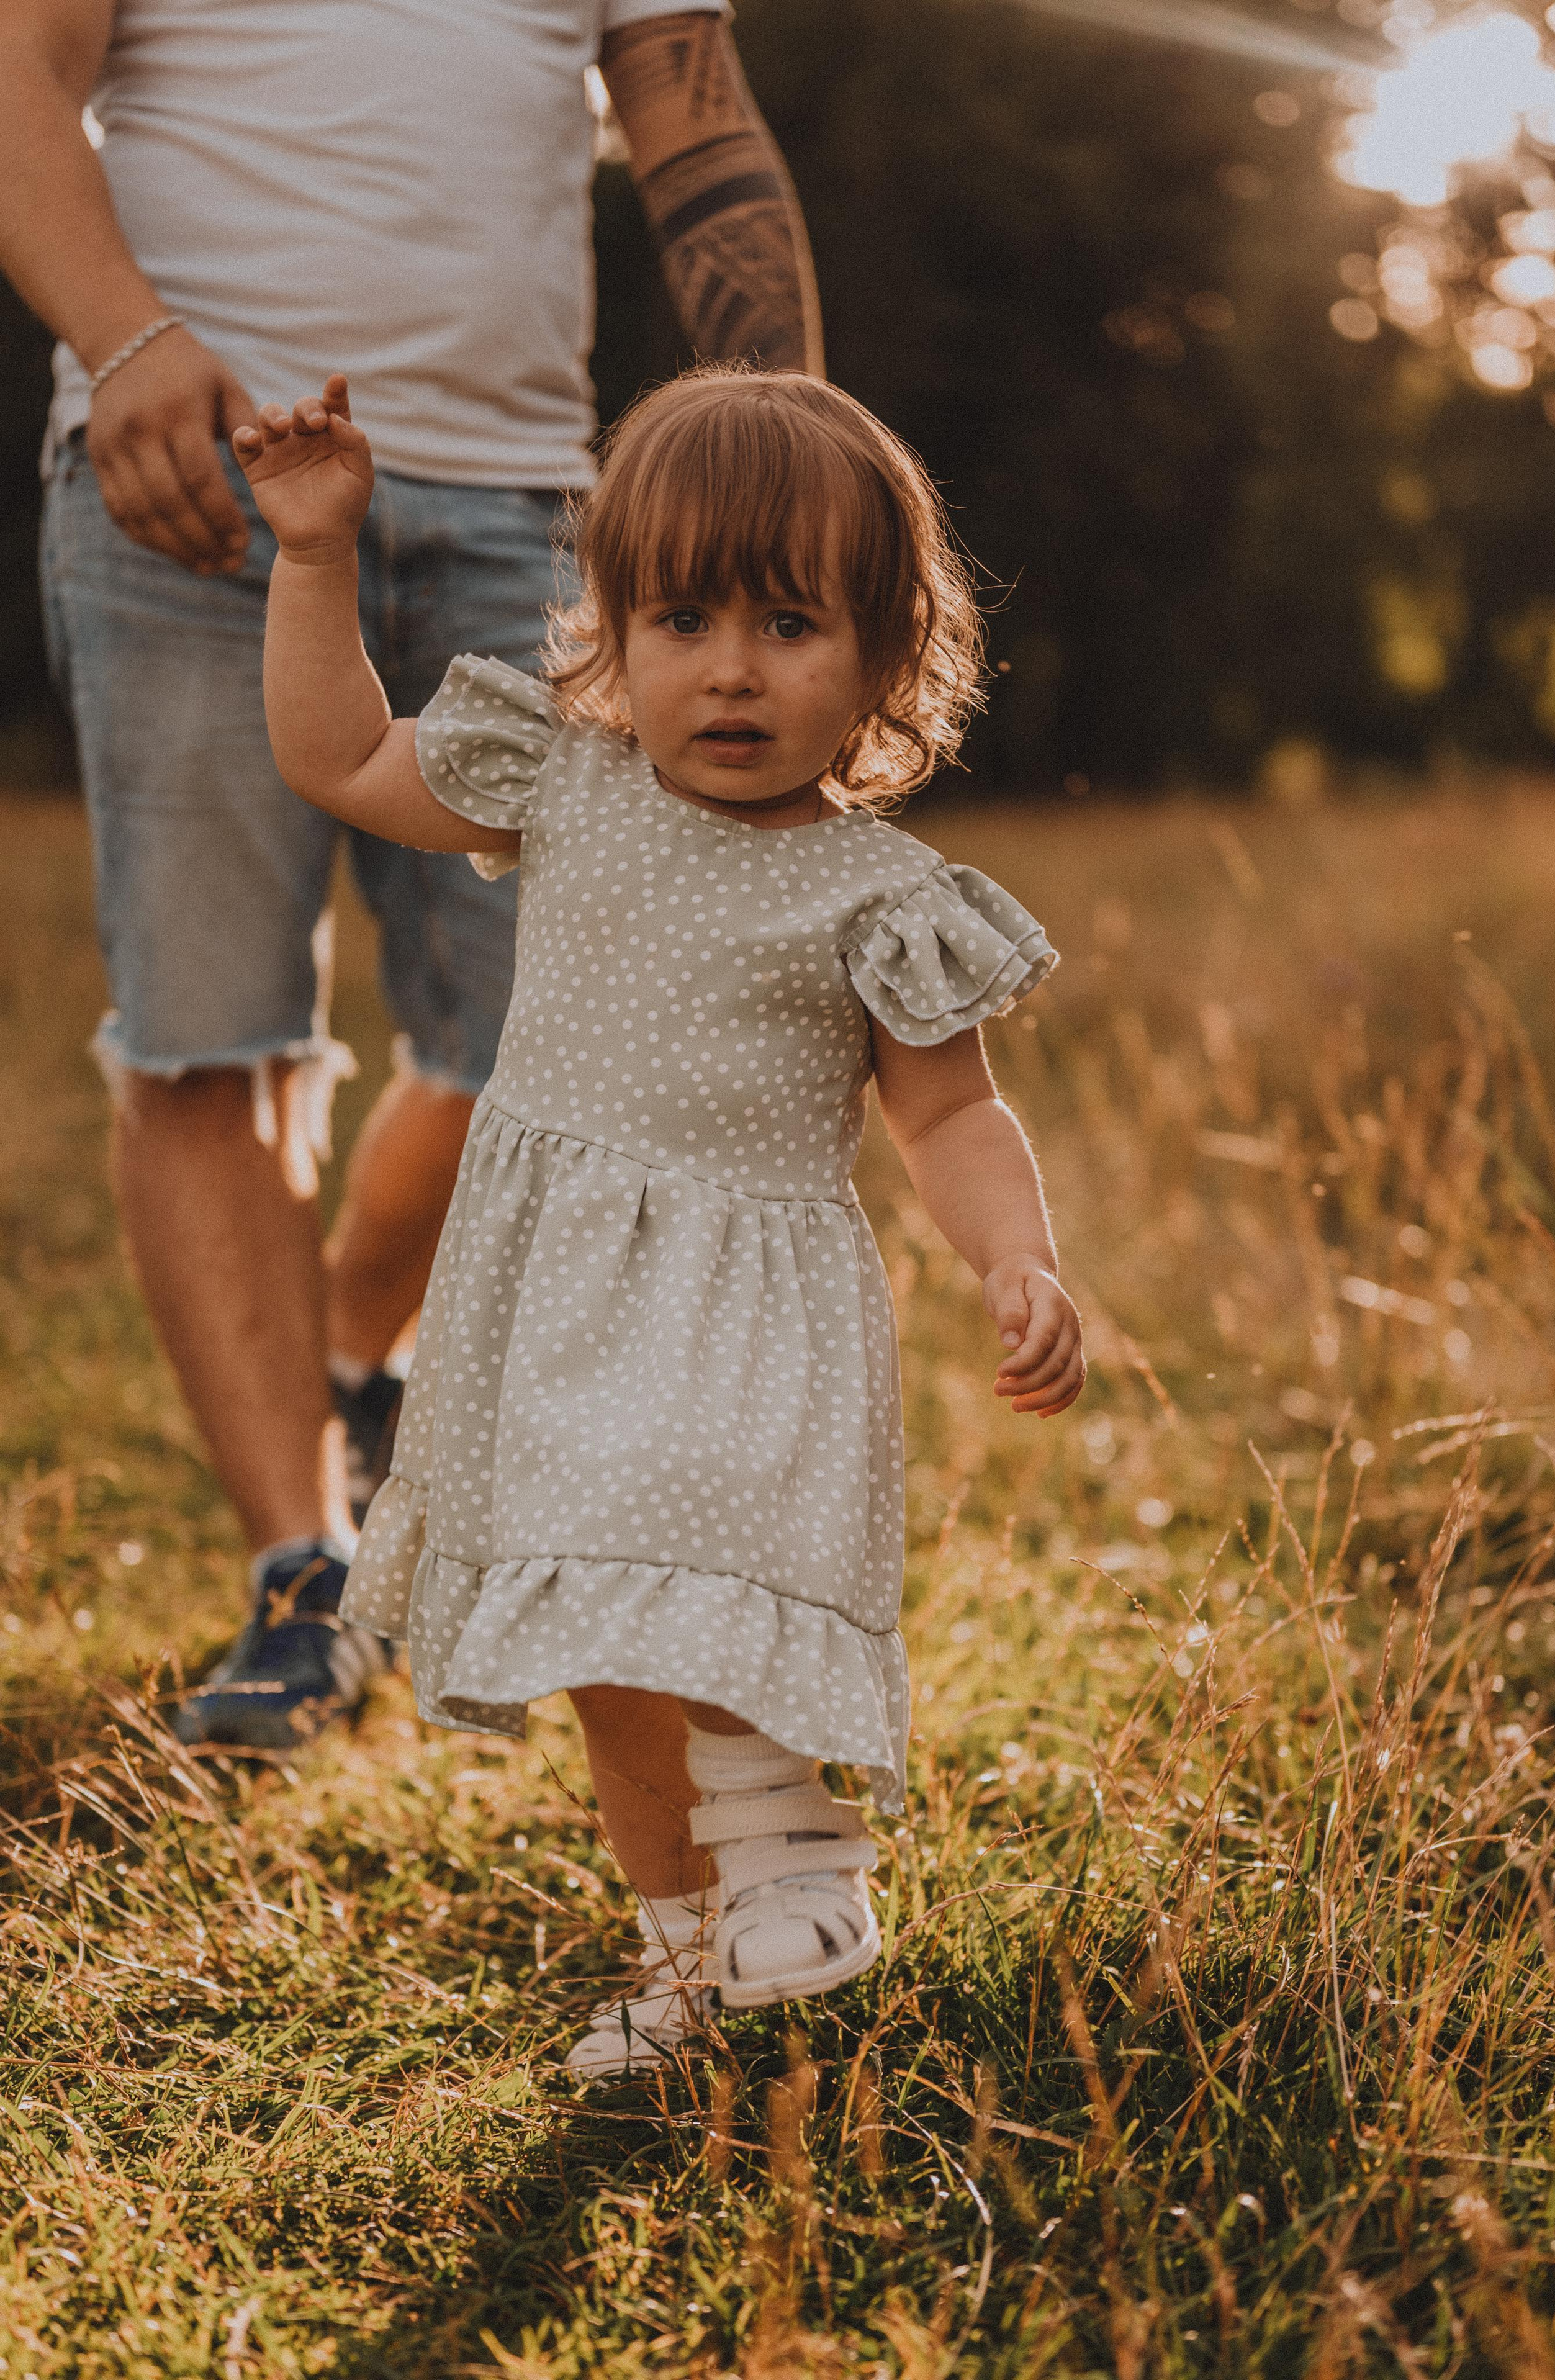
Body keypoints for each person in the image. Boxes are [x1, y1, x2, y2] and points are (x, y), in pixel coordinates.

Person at [230, 362, 1086, 2071]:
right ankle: (688, 1956)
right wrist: (317, 554)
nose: (733, 665)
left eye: (789, 621)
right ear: (615, 627)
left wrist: (1018, 1254)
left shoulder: (875, 891)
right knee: (607, 1659)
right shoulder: (566, 779)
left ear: (886, 654)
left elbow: (953, 1112)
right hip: (553, 1306)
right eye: (682, 614)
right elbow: (336, 754)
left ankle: (797, 1852)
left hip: (745, 1316)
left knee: (700, 1593)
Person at [0, 0, 824, 1749]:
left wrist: (790, 446)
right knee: (206, 1027)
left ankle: (355, 1355)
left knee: (558, 1034)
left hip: (528, 503)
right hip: (188, 487)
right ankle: (306, 1572)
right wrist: (123, 337)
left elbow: (697, 138)